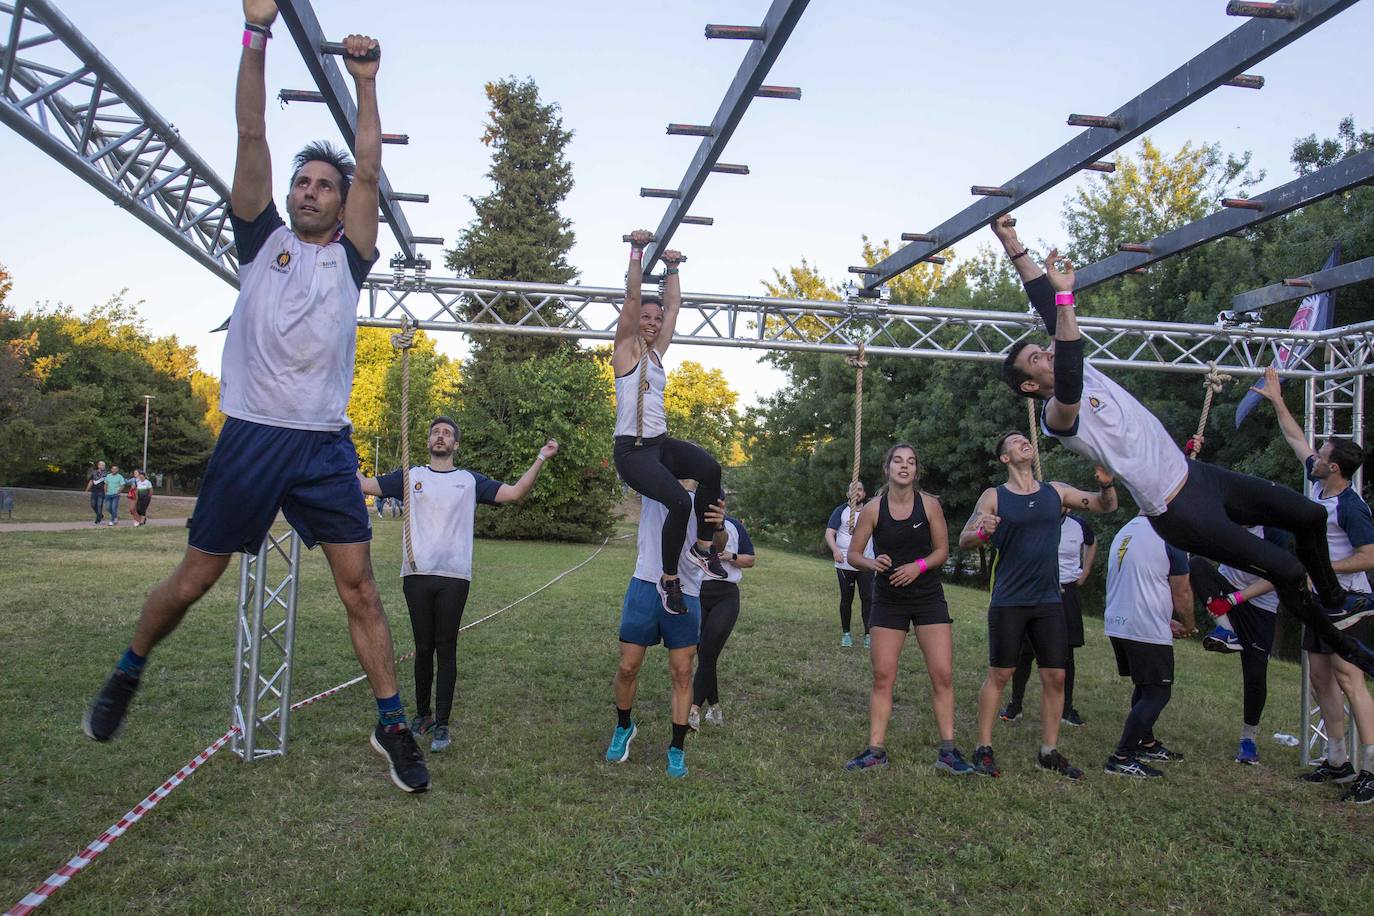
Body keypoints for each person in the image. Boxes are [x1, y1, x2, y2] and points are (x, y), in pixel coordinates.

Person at [81, 8, 431, 794]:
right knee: (194, 579)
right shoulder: (259, 239)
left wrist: (366, 83)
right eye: (302, 183)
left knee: (361, 589)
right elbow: (249, 133)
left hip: (322, 444)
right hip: (251, 437)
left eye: (322, 186)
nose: (308, 192)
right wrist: (257, 34)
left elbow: (370, 168)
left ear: (343, 206)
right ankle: (129, 669)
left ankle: (392, 726)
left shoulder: (352, 260)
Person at [988, 215, 1374, 677]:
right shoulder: (1058, 416)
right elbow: (1066, 357)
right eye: (1036, 359)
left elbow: (1051, 315)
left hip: (1199, 479)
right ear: (1031, 387)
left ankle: (1336, 601)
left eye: (1043, 349)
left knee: (1309, 515)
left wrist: (1013, 244)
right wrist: (1067, 297)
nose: (1046, 353)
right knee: (1287, 572)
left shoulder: (1074, 363)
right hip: (1179, 511)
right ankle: (1347, 649)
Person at [359, 416, 558, 754]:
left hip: (454, 577)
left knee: (445, 647)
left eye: (447, 433)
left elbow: (514, 492)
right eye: (435, 431)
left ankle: (443, 725)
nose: (440, 436)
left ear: (455, 445)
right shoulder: (411, 477)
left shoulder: (469, 481)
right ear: (428, 441)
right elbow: (363, 485)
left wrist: (541, 457)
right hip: (417, 575)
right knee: (423, 648)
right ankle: (422, 716)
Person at [958, 432, 1116, 780]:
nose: (1024, 442)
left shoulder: (1054, 492)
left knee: (1055, 676)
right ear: (1005, 458)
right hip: (1009, 600)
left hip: (1048, 600)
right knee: (1000, 674)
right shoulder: (994, 496)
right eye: (1015, 442)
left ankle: (1049, 751)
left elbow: (1105, 506)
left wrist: (1106, 486)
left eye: (1025, 438)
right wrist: (983, 532)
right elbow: (964, 540)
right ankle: (983, 748)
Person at [1250, 365, 1374, 803]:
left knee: (1348, 676)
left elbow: (1369, 557)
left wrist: (1321, 567)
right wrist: (1278, 399)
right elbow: (1295, 439)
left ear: (1334, 467)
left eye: (1321, 456)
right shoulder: (1318, 488)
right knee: (1321, 678)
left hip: (1350, 601)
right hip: (1318, 601)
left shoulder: (1351, 507)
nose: (1313, 457)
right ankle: (1337, 762)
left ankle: (1370, 769)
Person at [611, 229, 726, 617]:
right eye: (646, 316)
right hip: (633, 451)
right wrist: (637, 252)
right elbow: (631, 297)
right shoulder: (626, 352)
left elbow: (674, 307)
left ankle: (703, 548)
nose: (653, 322)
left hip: (660, 444)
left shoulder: (658, 353)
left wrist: (673, 268)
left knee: (710, 469)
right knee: (679, 502)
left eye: (656, 319)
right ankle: (670, 578)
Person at [843, 444, 973, 776]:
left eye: (911, 462)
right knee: (883, 676)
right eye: (898, 461)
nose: (905, 466)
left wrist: (918, 566)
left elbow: (942, 550)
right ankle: (875, 751)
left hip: (927, 596)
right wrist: (872, 563)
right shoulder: (873, 509)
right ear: (887, 469)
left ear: (916, 471)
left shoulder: (930, 505)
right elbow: (854, 555)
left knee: (942, 673)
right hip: (888, 599)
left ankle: (948, 751)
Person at [606, 480, 726, 779]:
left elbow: (718, 547)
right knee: (627, 666)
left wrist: (720, 526)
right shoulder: (654, 485)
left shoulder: (707, 498)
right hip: (645, 585)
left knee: (682, 673)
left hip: (686, 592)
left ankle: (676, 747)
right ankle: (623, 726)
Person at [1102, 515, 1195, 778]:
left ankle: (1146, 743)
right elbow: (1182, 591)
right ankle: (1122, 757)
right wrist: (1189, 624)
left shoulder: (1127, 529)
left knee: (1144, 686)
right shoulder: (1170, 535)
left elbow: (1141, 579)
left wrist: (1166, 619)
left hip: (1119, 620)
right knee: (1157, 693)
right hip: (1144, 626)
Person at [1188, 527, 1286, 765]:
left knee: (1255, 673)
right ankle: (1226, 631)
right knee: (1197, 564)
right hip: (1228, 587)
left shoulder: (1273, 531)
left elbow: (1276, 578)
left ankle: (1248, 740)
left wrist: (1235, 599)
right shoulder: (1225, 519)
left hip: (1260, 604)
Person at [1002, 509, 1097, 726]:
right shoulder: (1034, 521)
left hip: (1067, 593)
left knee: (1066, 654)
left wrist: (1086, 571)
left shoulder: (1079, 525)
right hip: (1037, 591)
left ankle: (1066, 709)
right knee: (1025, 652)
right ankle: (1015, 705)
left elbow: (1092, 542)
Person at [689, 510, 755, 730]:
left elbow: (751, 560)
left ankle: (693, 709)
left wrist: (731, 557)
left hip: (725, 596)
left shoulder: (735, 526)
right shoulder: (692, 525)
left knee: (708, 652)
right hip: (696, 592)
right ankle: (714, 705)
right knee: (706, 654)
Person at [826, 483, 876, 649]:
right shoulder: (840, 511)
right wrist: (835, 551)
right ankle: (846, 633)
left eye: (860, 489)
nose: (857, 492)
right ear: (847, 493)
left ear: (864, 493)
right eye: (853, 490)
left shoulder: (871, 511)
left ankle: (868, 634)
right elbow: (829, 533)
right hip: (844, 562)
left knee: (867, 598)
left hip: (866, 562)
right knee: (847, 598)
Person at [86, 461, 107, 525]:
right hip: (94, 491)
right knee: (93, 505)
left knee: (99, 505)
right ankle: (100, 515)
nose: (103, 466)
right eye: (102, 465)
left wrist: (106, 491)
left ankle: (97, 521)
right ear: (98, 466)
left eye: (104, 465)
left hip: (101, 491)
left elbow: (107, 483)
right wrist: (87, 489)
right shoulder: (94, 473)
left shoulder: (106, 474)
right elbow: (91, 481)